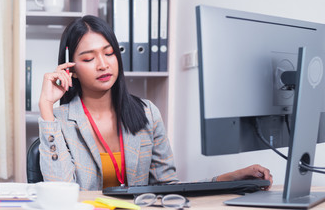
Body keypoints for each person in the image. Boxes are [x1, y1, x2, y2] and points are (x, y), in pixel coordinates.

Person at [38, 15, 273, 191]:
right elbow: (61, 194)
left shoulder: (146, 113)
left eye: (109, 53)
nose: (103, 64)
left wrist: (228, 179)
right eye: (89, 58)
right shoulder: (59, 122)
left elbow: (167, 186)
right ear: (71, 69)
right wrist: (47, 108)